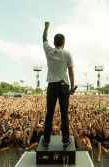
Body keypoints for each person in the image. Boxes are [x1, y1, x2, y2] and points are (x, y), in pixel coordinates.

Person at [41, 21, 75, 150]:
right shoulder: (68, 54)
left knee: (49, 114)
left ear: (54, 43)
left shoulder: (48, 50)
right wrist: (72, 88)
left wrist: (46, 27)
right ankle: (66, 141)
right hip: (63, 86)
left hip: (52, 86)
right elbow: (71, 72)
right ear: (64, 43)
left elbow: (44, 39)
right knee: (64, 114)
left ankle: (46, 141)